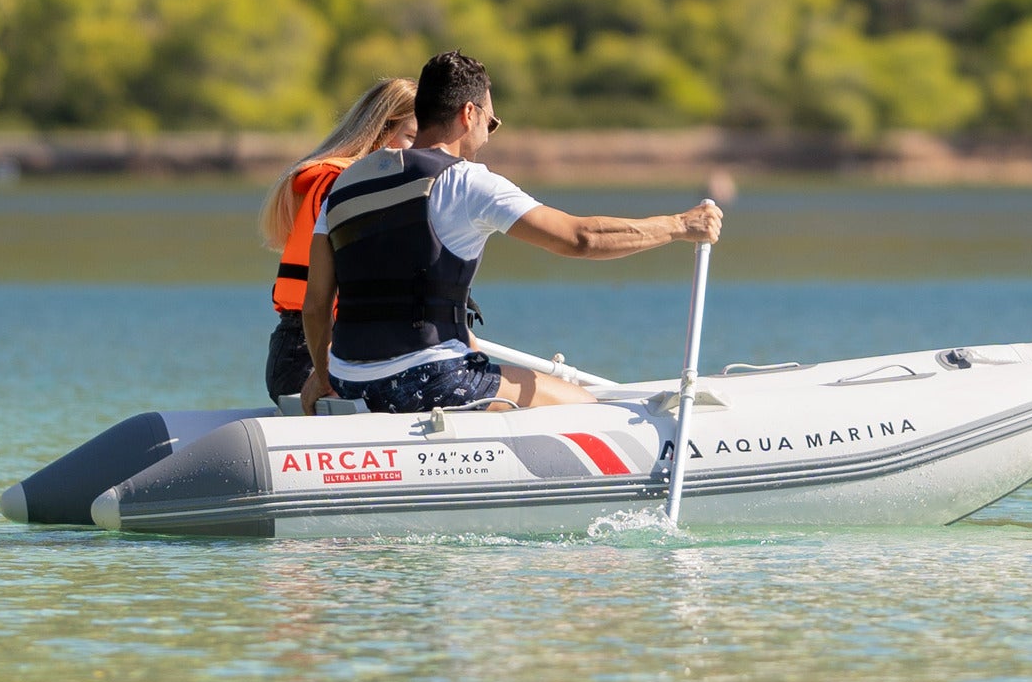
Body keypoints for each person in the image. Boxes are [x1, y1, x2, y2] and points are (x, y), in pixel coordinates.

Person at [299, 50, 723, 415]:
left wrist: (323, 375)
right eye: (491, 122)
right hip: (428, 381)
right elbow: (581, 238)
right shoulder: (466, 182)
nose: (489, 134)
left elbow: (316, 304)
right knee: (586, 406)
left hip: (350, 380)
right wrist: (680, 225)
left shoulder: (345, 184)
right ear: (469, 115)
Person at [260, 76, 419, 403]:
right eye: (412, 138)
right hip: (312, 357)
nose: (422, 153)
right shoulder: (346, 185)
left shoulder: (355, 182)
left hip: (314, 350)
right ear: (382, 131)